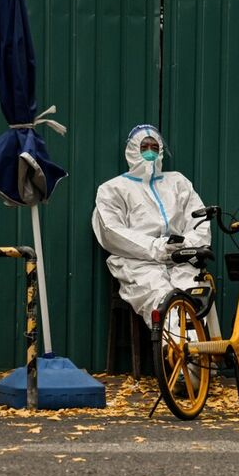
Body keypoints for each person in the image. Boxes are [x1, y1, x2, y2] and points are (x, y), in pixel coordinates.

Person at [92, 124, 212, 326]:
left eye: (155, 147)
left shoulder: (177, 182)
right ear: (132, 150)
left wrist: (186, 246)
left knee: (196, 302)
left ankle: (197, 356)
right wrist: (157, 248)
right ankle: (174, 355)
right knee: (163, 303)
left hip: (182, 261)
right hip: (139, 265)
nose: (150, 151)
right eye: (144, 146)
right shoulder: (113, 189)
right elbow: (112, 231)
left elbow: (199, 221)